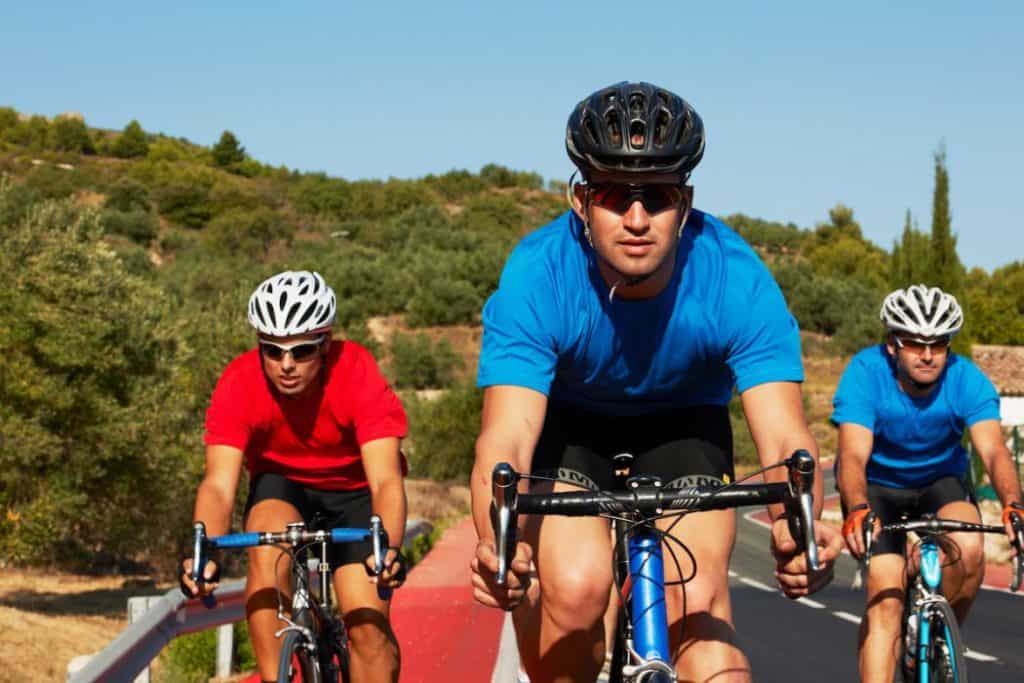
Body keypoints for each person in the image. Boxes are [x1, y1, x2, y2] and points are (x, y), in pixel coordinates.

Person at [469, 81, 842, 682]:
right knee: (573, 587)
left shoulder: (736, 278)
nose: (638, 219)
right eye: (615, 195)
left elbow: (783, 441)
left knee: (696, 608)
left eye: (659, 196)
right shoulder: (539, 274)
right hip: (570, 428)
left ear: (686, 201)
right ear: (581, 199)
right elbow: (506, 439)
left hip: (683, 423)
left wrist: (796, 530)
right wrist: (500, 546)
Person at [179, 270, 408, 683]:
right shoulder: (240, 382)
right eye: (272, 350)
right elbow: (218, 484)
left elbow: (386, 482)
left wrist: (386, 548)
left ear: (325, 345)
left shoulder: (355, 371)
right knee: (266, 555)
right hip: (282, 483)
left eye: (301, 351)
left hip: (353, 492)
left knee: (367, 625)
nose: (286, 365)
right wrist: (204, 554)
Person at [834, 284, 1024, 682]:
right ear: (892, 344)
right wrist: (855, 509)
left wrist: (1013, 503)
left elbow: (993, 451)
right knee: (885, 600)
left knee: (970, 547)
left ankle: (940, 633)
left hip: (940, 481)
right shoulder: (865, 373)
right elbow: (852, 454)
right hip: (879, 487)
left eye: (938, 345)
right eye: (915, 343)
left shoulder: (965, 378)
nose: (926, 355)